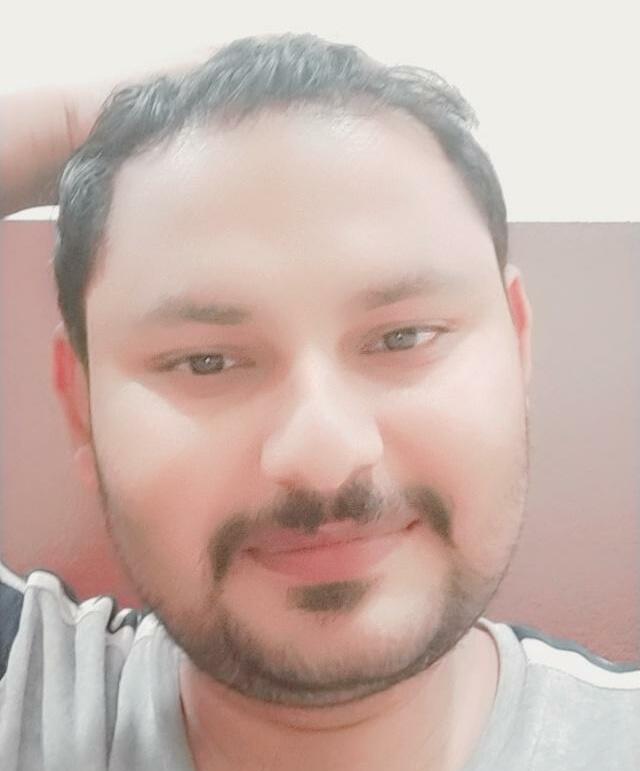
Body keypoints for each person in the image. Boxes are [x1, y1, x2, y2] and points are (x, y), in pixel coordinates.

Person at [0, 33, 638, 771]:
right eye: (207, 361)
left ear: (517, 345)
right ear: (81, 407)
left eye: (402, 337)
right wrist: (87, 120)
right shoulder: (27, 698)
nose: (324, 454)